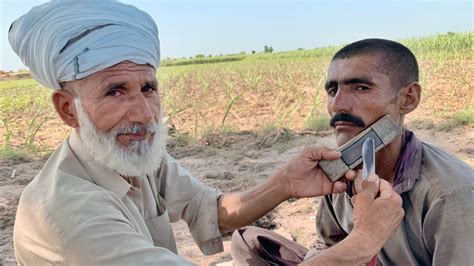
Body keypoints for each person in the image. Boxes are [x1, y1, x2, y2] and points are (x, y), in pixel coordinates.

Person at [9, 1, 403, 265]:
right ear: (67, 109)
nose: (145, 113)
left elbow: (209, 209)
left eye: (148, 88)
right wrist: (364, 241)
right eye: (115, 91)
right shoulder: (71, 215)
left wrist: (285, 183)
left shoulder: (134, 155)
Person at [314, 38, 474, 265]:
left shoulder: (451, 194)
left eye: (361, 88)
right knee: (248, 242)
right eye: (332, 90)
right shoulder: (339, 172)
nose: (337, 105)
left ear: (408, 99)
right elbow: (326, 244)